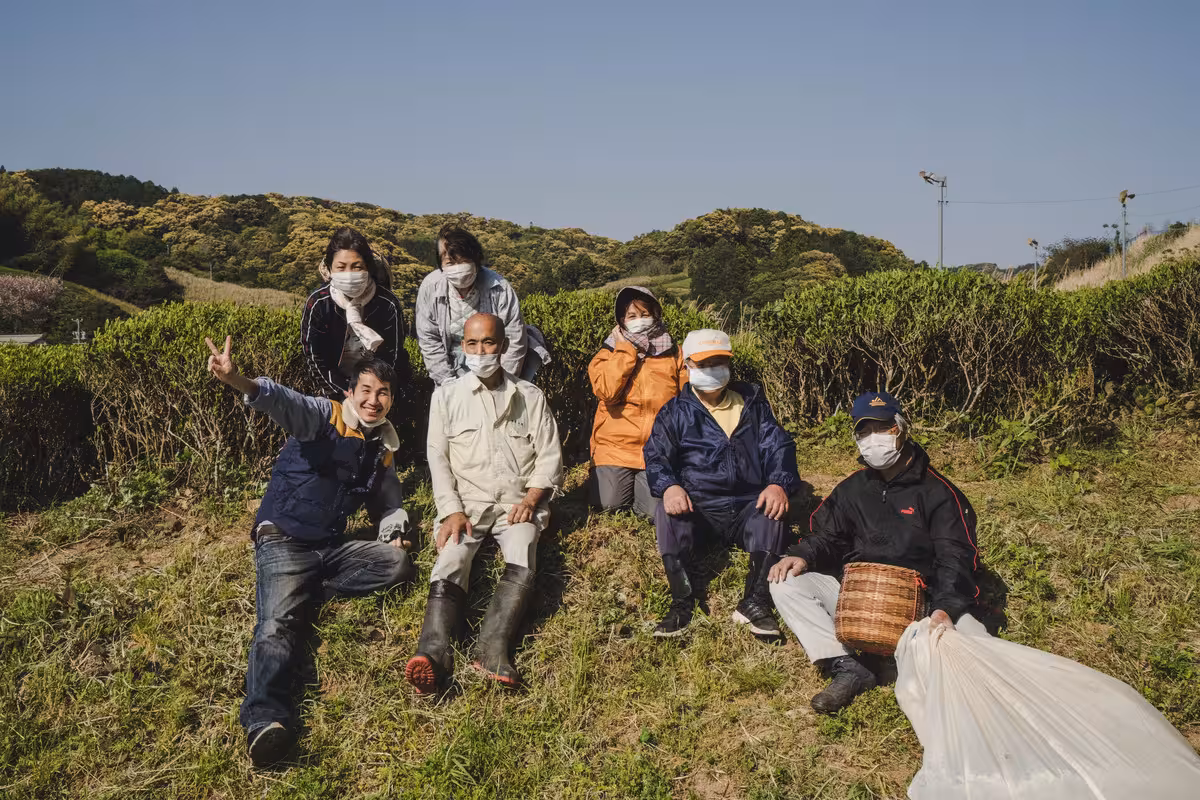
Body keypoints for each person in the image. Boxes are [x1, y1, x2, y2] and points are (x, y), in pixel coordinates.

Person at [204, 335, 415, 768]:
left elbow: (389, 503)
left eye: (383, 393)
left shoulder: (382, 448)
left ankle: (307, 590)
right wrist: (237, 380)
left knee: (395, 563)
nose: (374, 400)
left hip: (330, 548)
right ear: (351, 391)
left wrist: (394, 533)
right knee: (276, 625)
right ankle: (264, 719)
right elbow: (281, 400)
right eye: (367, 390)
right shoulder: (323, 415)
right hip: (283, 537)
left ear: (391, 399)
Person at [768, 391, 982, 714]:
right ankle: (850, 666)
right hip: (858, 598)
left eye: (882, 428)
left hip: (919, 607)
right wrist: (804, 554)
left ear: (901, 428)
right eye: (864, 431)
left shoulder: (938, 493)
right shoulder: (853, 488)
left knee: (974, 642)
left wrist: (944, 609)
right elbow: (828, 535)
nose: (873, 439)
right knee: (783, 581)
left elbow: (956, 556)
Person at [405, 313, 563, 693]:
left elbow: (550, 456)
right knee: (452, 556)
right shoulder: (446, 397)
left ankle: (493, 649)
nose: (481, 351)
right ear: (463, 348)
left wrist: (532, 497)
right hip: (468, 504)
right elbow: (437, 459)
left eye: (489, 343)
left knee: (524, 551)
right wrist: (451, 510)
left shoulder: (530, 396)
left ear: (504, 346)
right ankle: (434, 650)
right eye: (473, 344)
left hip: (516, 503)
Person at [643, 329, 800, 640]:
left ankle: (756, 603)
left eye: (719, 361)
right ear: (686, 365)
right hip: (699, 504)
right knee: (667, 513)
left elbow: (778, 447)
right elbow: (656, 456)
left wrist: (778, 483)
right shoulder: (674, 412)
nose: (713, 368)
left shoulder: (753, 403)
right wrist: (670, 486)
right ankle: (683, 603)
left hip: (748, 502)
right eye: (704, 363)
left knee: (772, 515)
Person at [588, 286, 688, 518]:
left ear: (656, 314)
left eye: (645, 314)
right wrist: (626, 350)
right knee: (608, 506)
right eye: (632, 316)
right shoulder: (608, 352)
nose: (639, 321)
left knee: (654, 513)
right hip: (614, 447)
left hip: (658, 448)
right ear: (621, 321)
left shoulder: (674, 353)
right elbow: (607, 392)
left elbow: (686, 400)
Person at [414, 223, 550, 386]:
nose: (458, 268)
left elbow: (514, 337)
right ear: (441, 265)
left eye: (464, 261)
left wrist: (503, 383)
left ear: (476, 261)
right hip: (450, 371)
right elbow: (429, 339)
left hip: (496, 367)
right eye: (450, 263)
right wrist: (448, 384)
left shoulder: (499, 287)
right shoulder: (431, 288)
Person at [302, 226, 412, 399]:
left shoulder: (387, 304)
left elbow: (392, 356)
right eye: (341, 267)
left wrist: (369, 393)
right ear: (330, 269)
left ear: (368, 267)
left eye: (356, 266)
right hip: (332, 389)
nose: (349, 274)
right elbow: (314, 357)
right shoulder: (318, 303)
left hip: (377, 390)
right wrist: (340, 392)